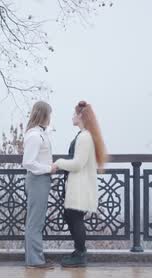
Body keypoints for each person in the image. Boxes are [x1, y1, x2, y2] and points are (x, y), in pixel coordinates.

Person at [53, 100, 107, 267]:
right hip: (78, 185)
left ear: (81, 116)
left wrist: (58, 163)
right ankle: (79, 251)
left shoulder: (84, 137)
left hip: (79, 186)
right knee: (71, 216)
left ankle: (81, 254)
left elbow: (77, 163)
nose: (72, 116)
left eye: (74, 114)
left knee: (75, 218)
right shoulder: (85, 135)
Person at [22, 101, 57, 269]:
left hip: (40, 180)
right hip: (37, 180)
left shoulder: (39, 133)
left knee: (36, 221)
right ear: (43, 115)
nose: (50, 118)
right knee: (35, 222)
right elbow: (28, 163)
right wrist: (49, 168)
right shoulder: (34, 136)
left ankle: (35, 259)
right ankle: (35, 261)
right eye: (49, 115)